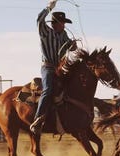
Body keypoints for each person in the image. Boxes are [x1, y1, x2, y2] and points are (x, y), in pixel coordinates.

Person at [30, 0, 78, 135]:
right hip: (48, 67)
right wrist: (50, 7)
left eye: (64, 23)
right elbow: (39, 19)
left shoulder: (63, 35)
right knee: (48, 90)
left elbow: (69, 45)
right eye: (62, 23)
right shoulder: (45, 32)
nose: (64, 25)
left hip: (59, 68)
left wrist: (73, 46)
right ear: (55, 23)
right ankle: (37, 119)